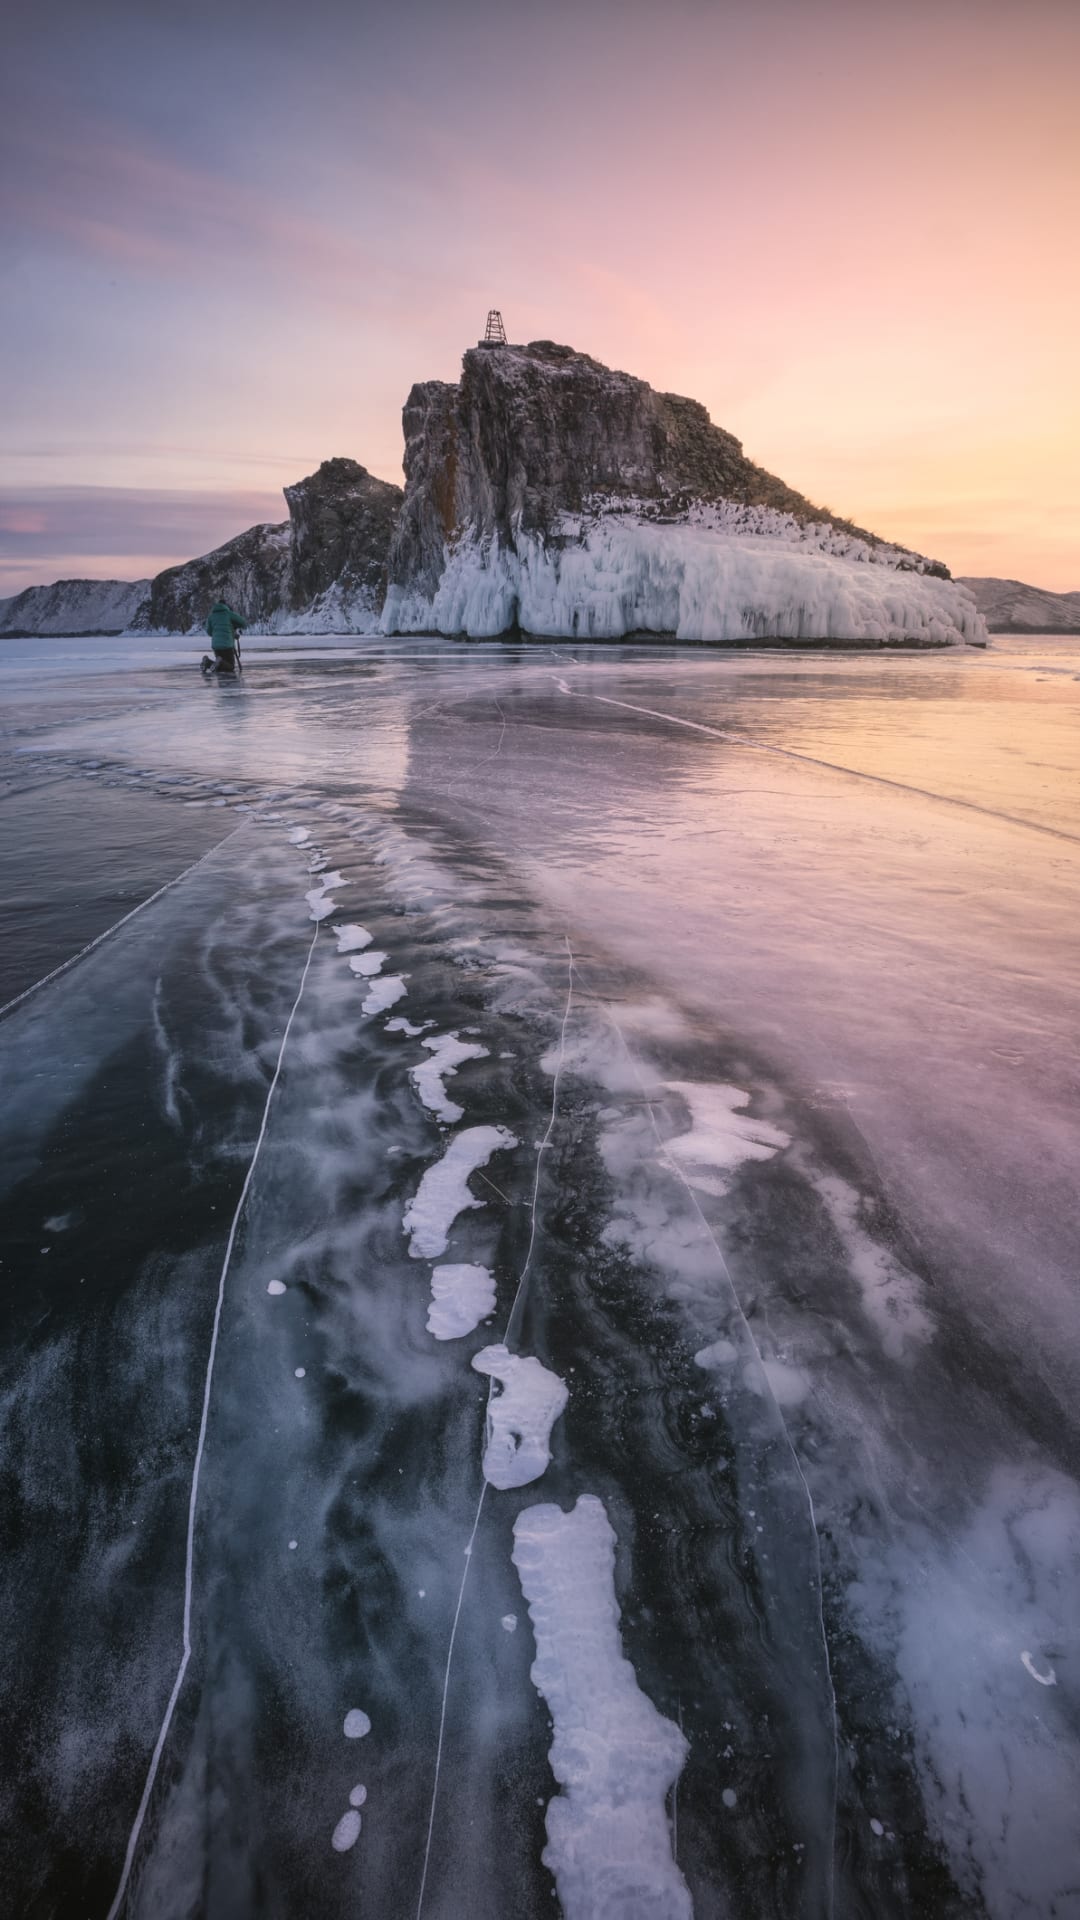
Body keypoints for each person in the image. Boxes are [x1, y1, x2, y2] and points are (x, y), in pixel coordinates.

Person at [202, 600, 248, 674]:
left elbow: (209, 632)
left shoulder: (211, 616)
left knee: (219, 667)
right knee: (230, 666)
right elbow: (243, 623)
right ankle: (219, 661)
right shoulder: (228, 614)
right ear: (226, 606)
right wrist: (233, 626)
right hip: (227, 645)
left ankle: (208, 662)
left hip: (216, 645)